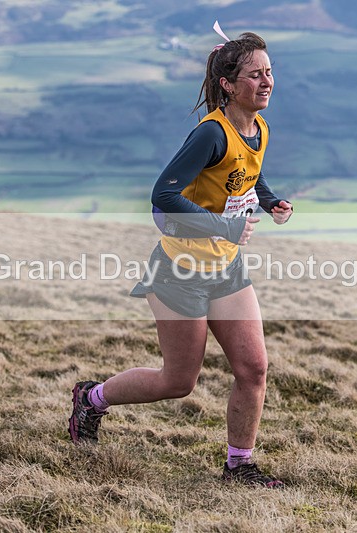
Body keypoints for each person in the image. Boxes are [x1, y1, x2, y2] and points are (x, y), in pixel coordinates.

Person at [69, 25, 293, 488]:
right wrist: (224, 225)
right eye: (255, 74)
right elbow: (163, 194)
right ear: (228, 85)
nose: (266, 81)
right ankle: (92, 398)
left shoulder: (260, 128)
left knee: (253, 369)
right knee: (178, 381)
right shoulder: (210, 133)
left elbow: (247, 173)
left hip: (225, 268)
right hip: (179, 271)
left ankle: (239, 466)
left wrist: (269, 201)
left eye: (270, 72)